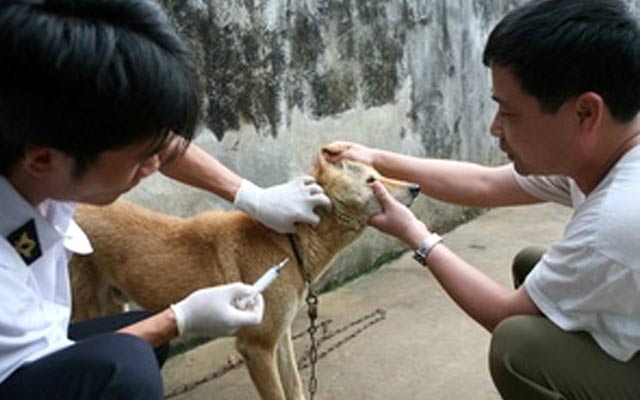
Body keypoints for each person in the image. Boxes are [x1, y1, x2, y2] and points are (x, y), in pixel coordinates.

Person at [0, 0, 329, 399]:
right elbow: (28, 368)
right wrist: (180, 318)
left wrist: (250, 196)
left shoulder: (41, 146)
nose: (156, 164)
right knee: (126, 369)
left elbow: (161, 143)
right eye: (141, 157)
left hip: (36, 332)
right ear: (44, 158)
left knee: (139, 342)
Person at [327, 0, 640, 398]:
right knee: (534, 267)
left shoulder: (617, 219)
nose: (495, 129)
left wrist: (417, 238)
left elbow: (503, 314)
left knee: (518, 347)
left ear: (584, 113)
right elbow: (485, 183)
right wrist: (376, 158)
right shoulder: (608, 151)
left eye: (507, 112)